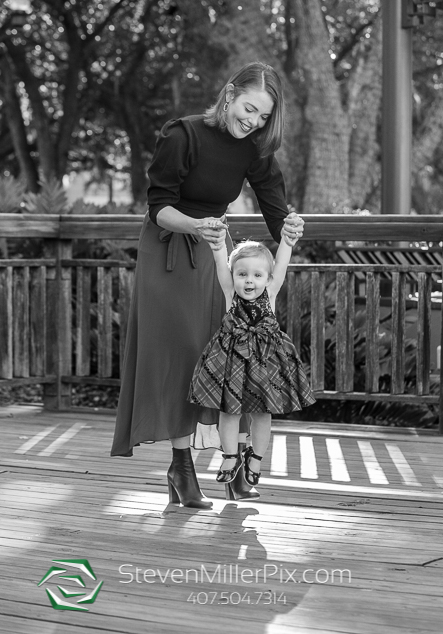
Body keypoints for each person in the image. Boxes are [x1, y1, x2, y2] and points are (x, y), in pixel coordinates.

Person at [110, 61, 304, 509]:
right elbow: (158, 206)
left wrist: (289, 228)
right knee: (181, 354)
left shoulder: (253, 147)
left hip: (216, 252)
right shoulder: (183, 134)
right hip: (168, 249)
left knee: (223, 358)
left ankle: (234, 466)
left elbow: (275, 206)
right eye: (249, 109)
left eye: (262, 116)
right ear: (230, 93)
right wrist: (197, 226)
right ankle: (182, 464)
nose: (253, 121)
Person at [188, 225, 315, 498]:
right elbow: (221, 259)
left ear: (268, 279)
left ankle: (255, 458)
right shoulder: (229, 294)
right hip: (231, 361)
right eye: (242, 274)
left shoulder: (270, 293)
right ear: (233, 276)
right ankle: (231, 455)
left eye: (257, 275)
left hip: (264, 362)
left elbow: (281, 262)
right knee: (229, 411)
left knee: (261, 413)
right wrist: (219, 242)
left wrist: (287, 240)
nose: (249, 281)